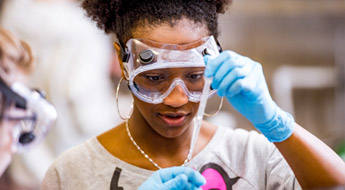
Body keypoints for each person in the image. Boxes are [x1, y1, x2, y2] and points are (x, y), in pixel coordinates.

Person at [42, 0, 345, 189]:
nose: (176, 99)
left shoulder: (252, 156)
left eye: (195, 76)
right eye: (155, 78)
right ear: (124, 65)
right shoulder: (72, 174)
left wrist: (275, 121)